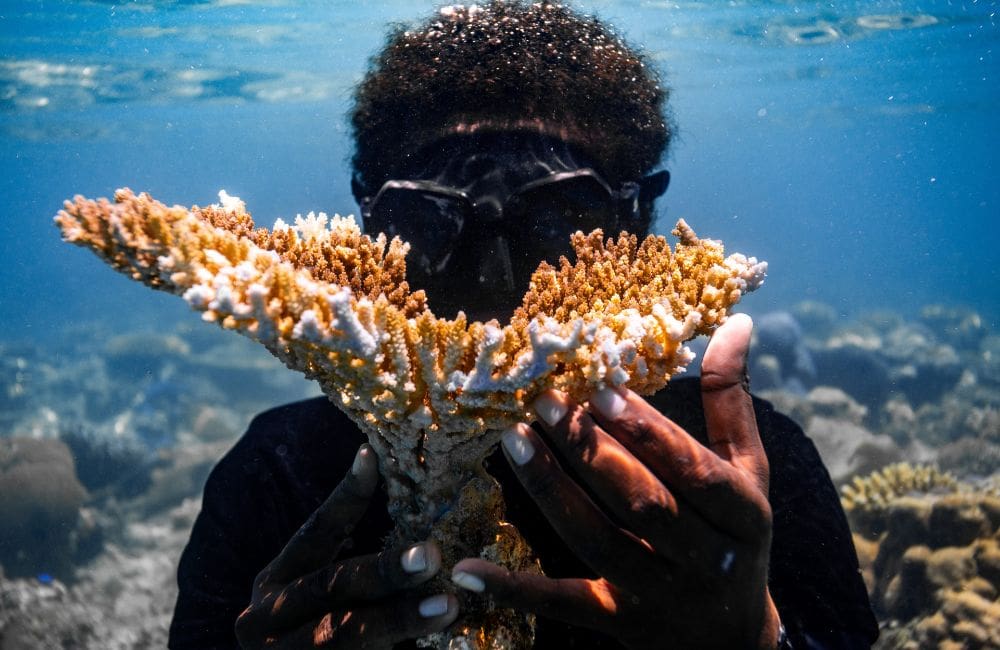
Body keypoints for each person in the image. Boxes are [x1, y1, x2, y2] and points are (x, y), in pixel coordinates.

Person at [168, 2, 879, 648]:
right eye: (431, 220)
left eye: (558, 218)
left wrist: (757, 638)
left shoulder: (742, 484)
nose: (494, 280)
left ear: (638, 215)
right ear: (367, 218)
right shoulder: (275, 478)